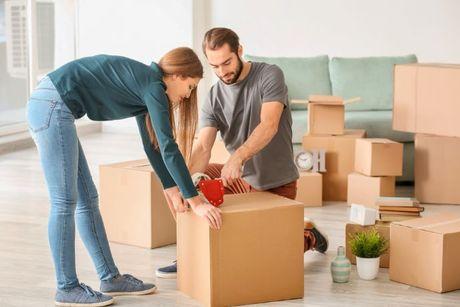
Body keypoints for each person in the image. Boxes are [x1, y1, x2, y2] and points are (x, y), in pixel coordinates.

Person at [26, 47, 222, 307]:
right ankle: (67, 287)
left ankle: (110, 278)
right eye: (190, 87)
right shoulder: (153, 86)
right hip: (51, 105)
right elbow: (168, 146)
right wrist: (195, 199)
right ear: (177, 76)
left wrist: (171, 187)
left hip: (55, 106)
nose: (187, 97)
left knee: (88, 200)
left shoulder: (145, 86)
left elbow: (152, 146)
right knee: (64, 201)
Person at [155, 28, 328, 279]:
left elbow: (269, 124)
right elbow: (203, 146)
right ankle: (190, 253)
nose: (222, 71)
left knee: (260, 259)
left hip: (275, 184)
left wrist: (238, 157)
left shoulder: (270, 75)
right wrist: (185, 187)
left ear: (240, 51)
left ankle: (308, 236)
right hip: (236, 179)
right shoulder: (214, 96)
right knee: (186, 182)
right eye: (214, 66)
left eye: (227, 62)